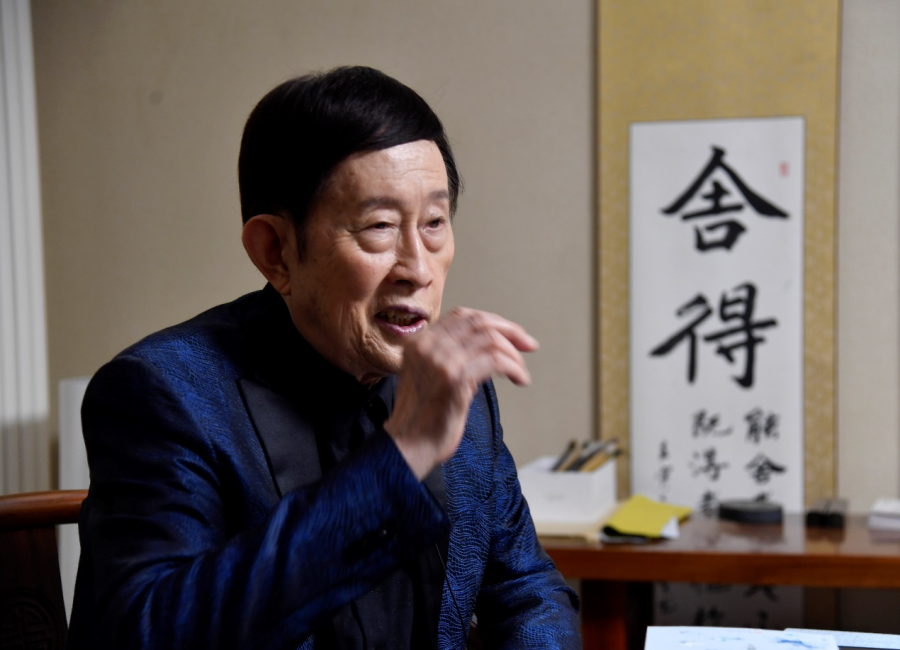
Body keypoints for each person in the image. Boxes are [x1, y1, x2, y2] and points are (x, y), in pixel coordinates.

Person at [67, 65, 581, 649]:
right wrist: (402, 456)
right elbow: (151, 633)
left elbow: (526, 589)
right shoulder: (163, 394)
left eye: (435, 223)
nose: (417, 269)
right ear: (275, 252)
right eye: (379, 226)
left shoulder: (458, 388)